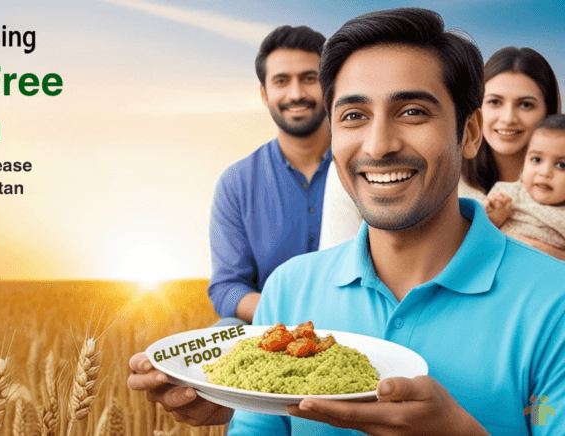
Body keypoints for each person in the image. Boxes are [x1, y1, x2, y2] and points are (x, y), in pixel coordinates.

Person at [128, 8, 565, 435]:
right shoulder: (289, 290)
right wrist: (229, 392)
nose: (379, 145)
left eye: (412, 111)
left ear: (469, 133)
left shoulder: (554, 303)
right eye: (354, 116)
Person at [208, 25, 360, 325]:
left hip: (358, 321)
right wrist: (291, 320)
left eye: (309, 78)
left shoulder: (367, 166)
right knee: (225, 329)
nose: (296, 94)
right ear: (265, 94)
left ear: (330, 87)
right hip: (274, 326)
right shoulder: (236, 184)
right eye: (281, 81)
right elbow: (227, 287)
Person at [459, 46, 561, 203]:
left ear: (549, 113)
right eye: (494, 102)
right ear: (476, 109)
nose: (508, 118)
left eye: (525, 105)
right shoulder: (448, 183)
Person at [485, 114, 565, 259]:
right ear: (523, 167)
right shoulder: (505, 195)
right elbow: (473, 236)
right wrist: (492, 220)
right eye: (536, 159)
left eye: (561, 165)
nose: (545, 172)